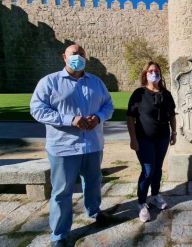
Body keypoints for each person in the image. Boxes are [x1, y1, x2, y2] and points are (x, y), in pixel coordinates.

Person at [30, 44, 114, 247]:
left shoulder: (96, 82)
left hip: (93, 144)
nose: (78, 57)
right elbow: (37, 109)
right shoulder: (49, 82)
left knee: (93, 181)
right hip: (64, 147)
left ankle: (94, 211)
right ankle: (59, 234)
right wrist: (70, 119)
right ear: (64, 57)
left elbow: (108, 105)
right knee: (62, 191)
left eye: (82, 54)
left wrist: (99, 116)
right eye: (74, 54)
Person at [127, 61, 177, 222]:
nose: (154, 73)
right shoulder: (139, 94)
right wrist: (133, 138)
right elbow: (130, 118)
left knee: (158, 169)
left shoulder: (166, 94)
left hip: (162, 138)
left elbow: (172, 115)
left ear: (160, 74)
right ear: (145, 74)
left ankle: (155, 195)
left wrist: (174, 132)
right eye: (150, 71)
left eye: (156, 70)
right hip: (144, 139)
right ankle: (141, 202)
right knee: (148, 170)